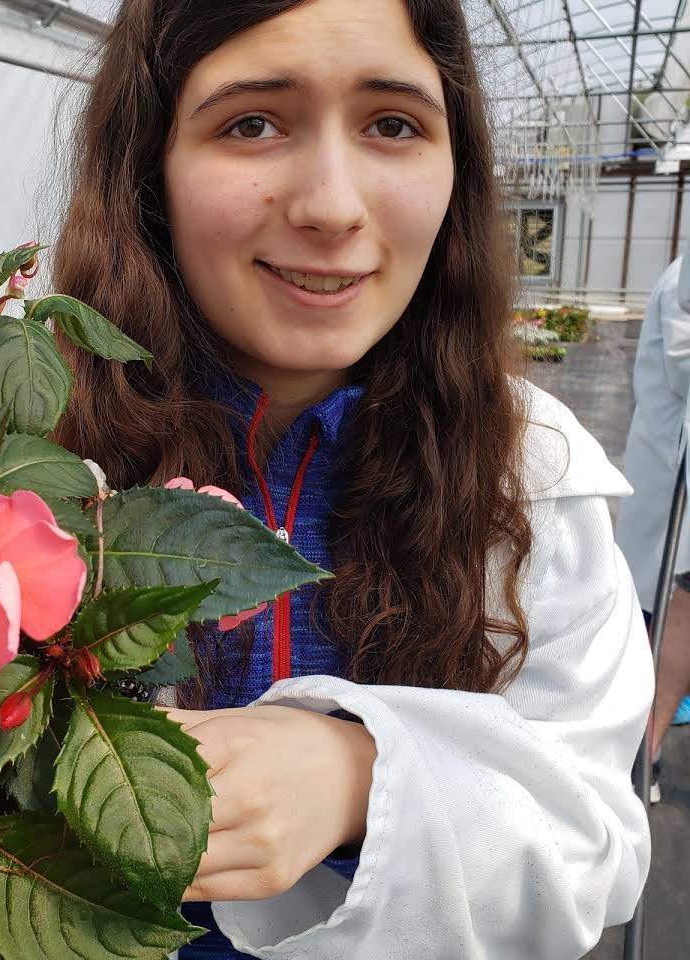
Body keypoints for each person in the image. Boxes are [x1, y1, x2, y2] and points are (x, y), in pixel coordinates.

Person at [49, 1, 653, 957]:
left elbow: (600, 848)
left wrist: (365, 776)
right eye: (251, 123)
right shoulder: (22, 451)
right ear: (148, 167)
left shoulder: (533, 470)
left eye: (392, 124)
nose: (331, 205)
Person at [616, 253, 690, 803]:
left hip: (669, 472)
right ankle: (645, 752)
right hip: (673, 473)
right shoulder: (681, 281)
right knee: (671, 612)